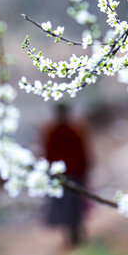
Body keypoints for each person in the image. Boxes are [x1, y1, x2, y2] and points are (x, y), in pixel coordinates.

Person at [42, 103, 90, 247]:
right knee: (73, 204)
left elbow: (47, 154)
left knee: (68, 205)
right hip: (73, 173)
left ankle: (72, 232)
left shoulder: (55, 131)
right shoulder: (71, 130)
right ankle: (74, 231)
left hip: (64, 175)